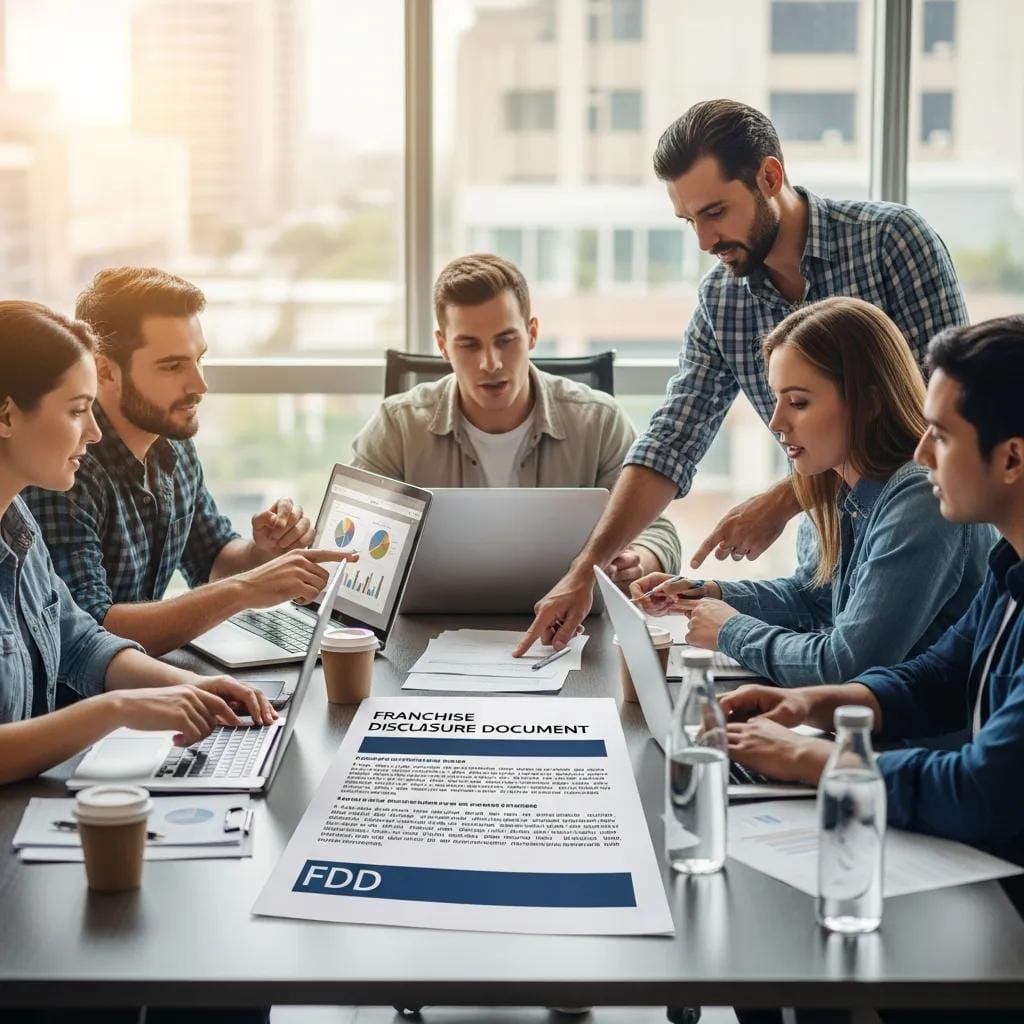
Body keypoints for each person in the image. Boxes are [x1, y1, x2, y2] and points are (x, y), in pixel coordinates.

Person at [515, 98, 967, 655]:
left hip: (926, 550)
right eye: (690, 221)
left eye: (715, 212)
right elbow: (672, 439)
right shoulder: (722, 298)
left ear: (770, 176)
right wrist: (587, 569)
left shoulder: (891, 241)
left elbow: (943, 419)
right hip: (827, 553)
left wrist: (784, 499)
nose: (704, 241)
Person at [727, 316, 1024, 1024]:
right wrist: (822, 703)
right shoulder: (1010, 567)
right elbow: (936, 676)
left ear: (1011, 459)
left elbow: (984, 790)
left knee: (788, 934)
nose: (922, 453)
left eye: (942, 436)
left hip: (1004, 912)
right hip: (982, 865)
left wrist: (820, 762)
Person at [630, 297, 993, 685]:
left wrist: (729, 630)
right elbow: (810, 598)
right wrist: (709, 593)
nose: (776, 422)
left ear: (868, 401)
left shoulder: (920, 499)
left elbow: (845, 664)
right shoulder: (833, 486)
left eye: (798, 402)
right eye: (776, 399)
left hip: (909, 740)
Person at [0, 301, 276, 784]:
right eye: (77, 410)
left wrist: (194, 688)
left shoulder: (16, 520)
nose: (93, 430)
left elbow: (80, 642)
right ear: (5, 415)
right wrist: (117, 709)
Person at [23, 267, 354, 657]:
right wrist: (246, 590)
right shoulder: (65, 467)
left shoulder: (172, 443)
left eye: (199, 360)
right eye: (172, 366)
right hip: (83, 704)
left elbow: (211, 557)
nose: (199, 385)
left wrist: (266, 553)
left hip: (143, 683)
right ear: (105, 371)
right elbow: (92, 632)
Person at [350, 252, 681, 587]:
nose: (490, 363)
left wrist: (638, 560)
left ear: (532, 333)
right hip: (425, 629)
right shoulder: (397, 425)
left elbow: (658, 531)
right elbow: (351, 536)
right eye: (469, 345)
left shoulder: (599, 421)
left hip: (567, 627)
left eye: (506, 341)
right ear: (443, 346)